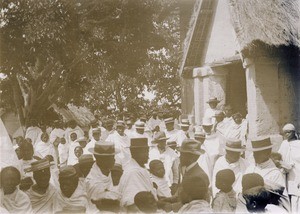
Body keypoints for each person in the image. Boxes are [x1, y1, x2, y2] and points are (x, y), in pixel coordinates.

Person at [118, 138, 156, 211]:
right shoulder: (132, 172)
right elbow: (132, 204)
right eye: (144, 152)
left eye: (147, 151)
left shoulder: (141, 168)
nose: (147, 154)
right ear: (134, 153)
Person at [85, 142, 120, 210]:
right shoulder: (94, 183)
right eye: (111, 157)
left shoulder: (109, 172)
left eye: (113, 156)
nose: (114, 160)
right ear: (100, 159)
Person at [278, 123, 300, 213]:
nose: (286, 134)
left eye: (288, 132)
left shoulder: (298, 144)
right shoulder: (284, 144)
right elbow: (279, 157)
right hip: (287, 174)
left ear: (293, 132)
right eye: (284, 133)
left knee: (297, 197)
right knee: (288, 195)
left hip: (297, 173)